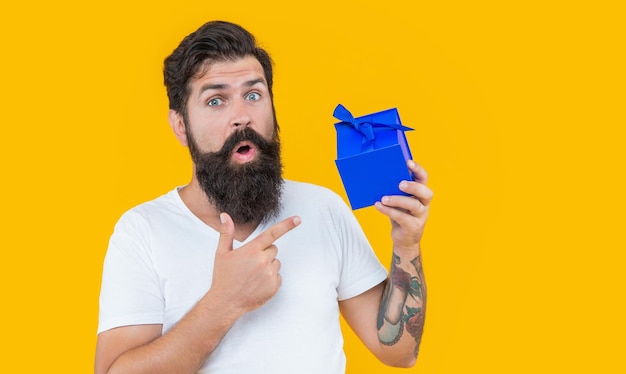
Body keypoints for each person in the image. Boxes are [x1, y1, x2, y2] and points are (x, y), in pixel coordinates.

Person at [95, 20, 433, 374]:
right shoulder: (143, 231)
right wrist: (224, 302)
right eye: (215, 100)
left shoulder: (323, 209)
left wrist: (407, 245)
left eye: (253, 95)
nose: (241, 116)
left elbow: (398, 353)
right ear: (181, 125)